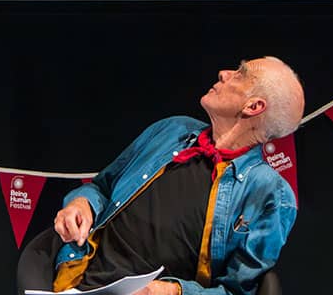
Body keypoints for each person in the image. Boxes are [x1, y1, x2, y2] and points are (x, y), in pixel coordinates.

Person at [49, 57, 304, 295]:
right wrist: (81, 203)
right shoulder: (172, 129)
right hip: (79, 282)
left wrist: (174, 291)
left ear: (254, 106)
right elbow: (102, 187)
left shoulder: (270, 193)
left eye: (240, 74)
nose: (224, 73)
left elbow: (236, 291)